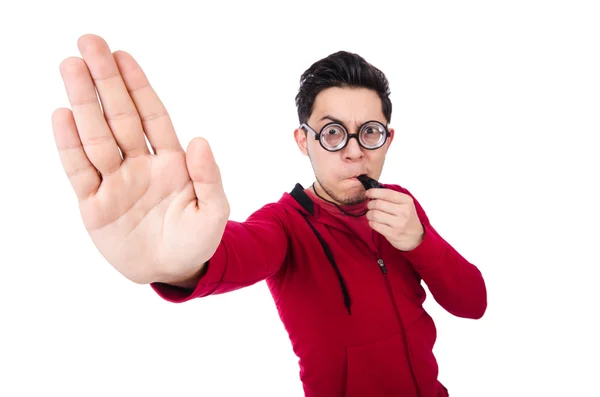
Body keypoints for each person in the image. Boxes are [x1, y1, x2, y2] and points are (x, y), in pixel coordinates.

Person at [52, 34, 487, 397]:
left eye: (369, 133)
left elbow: (473, 304)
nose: (355, 150)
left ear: (387, 139)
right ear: (304, 140)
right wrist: (177, 264)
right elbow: (237, 251)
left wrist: (420, 242)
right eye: (333, 133)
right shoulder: (284, 225)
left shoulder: (402, 206)